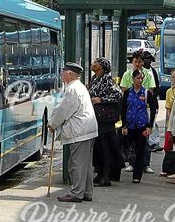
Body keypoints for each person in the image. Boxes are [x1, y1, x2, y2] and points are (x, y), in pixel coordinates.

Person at [48, 63, 98, 203]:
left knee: (76, 163)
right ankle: (86, 191)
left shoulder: (72, 90)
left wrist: (52, 124)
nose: (62, 74)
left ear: (70, 74)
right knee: (85, 164)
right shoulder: (79, 87)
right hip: (87, 129)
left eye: (64, 72)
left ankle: (76, 193)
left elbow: (63, 110)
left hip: (79, 131)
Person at [88, 57, 123, 186]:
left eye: (95, 63)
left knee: (105, 147)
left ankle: (106, 176)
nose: (93, 64)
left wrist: (101, 100)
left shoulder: (107, 79)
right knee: (98, 147)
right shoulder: (94, 79)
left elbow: (118, 94)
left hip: (105, 119)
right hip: (96, 118)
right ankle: (99, 173)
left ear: (101, 67)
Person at [121, 68, 158, 183]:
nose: (140, 80)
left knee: (140, 149)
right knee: (124, 145)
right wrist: (124, 125)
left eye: (142, 78)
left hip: (141, 124)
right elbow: (123, 108)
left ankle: (137, 175)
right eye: (138, 78)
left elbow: (152, 108)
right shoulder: (128, 92)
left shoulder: (146, 92)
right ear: (133, 79)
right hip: (130, 124)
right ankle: (119, 168)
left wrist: (150, 126)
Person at [160, 69, 175, 177]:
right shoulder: (169, 91)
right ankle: (167, 168)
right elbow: (168, 107)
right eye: (173, 77)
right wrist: (169, 122)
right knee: (168, 145)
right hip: (171, 122)